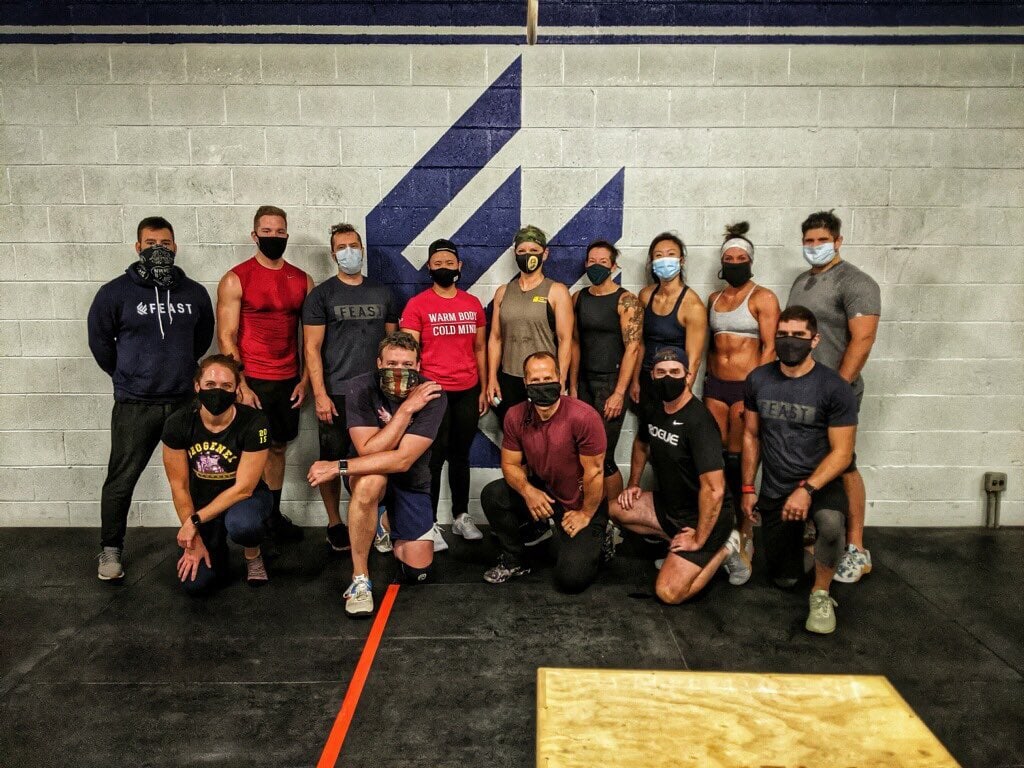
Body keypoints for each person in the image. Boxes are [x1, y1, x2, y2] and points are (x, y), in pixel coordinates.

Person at [87, 216, 215, 581]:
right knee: (121, 479)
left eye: (165, 242)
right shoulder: (114, 293)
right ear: (138, 247)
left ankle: (202, 539)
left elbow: (201, 339)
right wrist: (128, 376)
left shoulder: (193, 293)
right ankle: (110, 550)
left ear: (175, 246)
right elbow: (100, 343)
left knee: (199, 475)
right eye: (150, 242)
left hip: (183, 402)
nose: (158, 248)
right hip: (135, 402)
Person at [307, 332, 447, 618]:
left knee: (417, 569)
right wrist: (407, 411)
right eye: (392, 363)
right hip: (369, 474)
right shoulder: (360, 387)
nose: (399, 370)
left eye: (407, 364)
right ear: (379, 363)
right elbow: (367, 450)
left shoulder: (432, 393)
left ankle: (384, 521)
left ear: (418, 366)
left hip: (411, 480)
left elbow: (404, 460)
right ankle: (360, 579)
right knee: (372, 481)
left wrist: (337, 466)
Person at [741, 306, 858, 634]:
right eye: (783, 335)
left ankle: (821, 591)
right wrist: (748, 489)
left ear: (815, 339)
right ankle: (808, 546)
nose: (789, 341)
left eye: (798, 336)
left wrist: (806, 490)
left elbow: (843, 453)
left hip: (819, 483)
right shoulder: (758, 379)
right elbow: (751, 436)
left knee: (832, 524)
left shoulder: (833, 387)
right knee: (784, 578)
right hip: (776, 486)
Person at [788, 210, 880, 584]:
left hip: (836, 390)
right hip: (803, 388)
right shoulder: (802, 281)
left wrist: (838, 388)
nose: (814, 247)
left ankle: (857, 548)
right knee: (813, 459)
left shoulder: (857, 282)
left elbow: (863, 339)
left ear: (838, 241)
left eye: (821, 241)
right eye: (808, 241)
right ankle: (822, 535)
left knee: (845, 463)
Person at [610, 347, 740, 604]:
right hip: (672, 509)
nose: (667, 378)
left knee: (669, 593)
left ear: (688, 376)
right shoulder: (653, 406)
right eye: (661, 372)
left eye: (674, 372)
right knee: (616, 509)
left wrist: (698, 538)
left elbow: (714, 490)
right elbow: (641, 444)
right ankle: (677, 545)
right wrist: (633, 484)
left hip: (707, 517)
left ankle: (725, 548)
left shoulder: (699, 421)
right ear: (652, 376)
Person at [216, 205, 312, 545]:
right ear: (254, 235)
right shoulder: (236, 277)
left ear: (287, 234)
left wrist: (305, 379)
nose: (274, 237)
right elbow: (226, 335)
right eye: (267, 232)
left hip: (288, 379)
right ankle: (249, 523)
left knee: (278, 448)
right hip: (251, 378)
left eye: (280, 232)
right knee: (250, 450)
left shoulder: (302, 279)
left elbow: (310, 336)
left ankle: (272, 516)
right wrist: (239, 383)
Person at [304, 223, 399, 553]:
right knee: (331, 458)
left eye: (354, 245)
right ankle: (335, 523)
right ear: (333, 254)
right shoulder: (321, 295)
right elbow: (311, 348)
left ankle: (377, 521)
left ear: (362, 248)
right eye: (342, 247)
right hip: (336, 393)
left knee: (375, 460)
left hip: (376, 395)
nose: (349, 252)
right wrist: (319, 393)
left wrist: (392, 390)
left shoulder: (383, 293)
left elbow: (393, 345)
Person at [480, 352, 607, 593]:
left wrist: (586, 513)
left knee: (571, 579)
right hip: (545, 493)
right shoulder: (516, 415)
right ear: (525, 383)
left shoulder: (584, 416)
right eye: (535, 381)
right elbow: (509, 464)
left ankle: (602, 538)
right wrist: (528, 491)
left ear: (559, 378)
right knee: (493, 495)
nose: (542, 385)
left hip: (580, 503)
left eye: (548, 378)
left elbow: (595, 472)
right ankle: (515, 560)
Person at [705, 222, 780, 586]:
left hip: (746, 388)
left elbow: (769, 347)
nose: (735, 262)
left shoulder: (763, 297)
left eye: (741, 258)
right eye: (729, 258)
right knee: (713, 463)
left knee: (740, 468)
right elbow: (709, 348)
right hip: (715, 387)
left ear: (751, 261)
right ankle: (718, 534)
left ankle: (745, 538)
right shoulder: (713, 300)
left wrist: (759, 390)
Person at [400, 238, 488, 546]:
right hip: (434, 391)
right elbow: (410, 353)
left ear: (459, 267)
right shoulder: (417, 305)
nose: (444, 268)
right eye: (437, 264)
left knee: (460, 455)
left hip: (467, 389)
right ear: (428, 268)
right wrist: (415, 393)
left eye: (449, 263)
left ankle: (461, 516)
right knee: (434, 459)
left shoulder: (472, 304)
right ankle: (431, 523)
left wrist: (485, 386)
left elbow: (480, 347)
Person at [162, 355, 272, 593]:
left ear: (236, 390)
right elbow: (179, 485)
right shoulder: (178, 423)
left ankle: (252, 554)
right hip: (204, 504)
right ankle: (216, 551)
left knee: (244, 525)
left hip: (245, 500)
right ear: (197, 386)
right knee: (196, 585)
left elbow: (244, 488)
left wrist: (194, 521)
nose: (217, 391)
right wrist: (194, 541)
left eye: (226, 386)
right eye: (210, 385)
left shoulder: (255, 423)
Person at [569, 240, 642, 500]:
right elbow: (575, 343)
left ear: (613, 266)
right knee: (582, 453)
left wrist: (619, 393)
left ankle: (615, 518)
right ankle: (590, 512)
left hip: (611, 384)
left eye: (602, 262)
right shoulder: (578, 298)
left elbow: (633, 348)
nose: (596, 266)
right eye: (592, 261)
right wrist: (573, 386)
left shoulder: (626, 301)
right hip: (585, 383)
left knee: (605, 456)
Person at [486, 225, 574, 427]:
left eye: (534, 251)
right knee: (512, 434)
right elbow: (495, 338)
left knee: (543, 435)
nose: (528, 255)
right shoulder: (503, 292)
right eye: (522, 251)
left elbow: (565, 340)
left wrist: (560, 381)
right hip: (510, 377)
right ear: (515, 254)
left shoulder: (556, 291)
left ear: (545, 254)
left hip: (542, 380)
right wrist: (492, 378)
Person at [631, 232, 707, 406]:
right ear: (652, 262)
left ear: (681, 260)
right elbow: (640, 343)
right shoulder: (645, 296)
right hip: (646, 376)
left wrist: (683, 393)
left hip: (672, 381)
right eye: (659, 255)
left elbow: (694, 359)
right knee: (644, 431)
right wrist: (635, 380)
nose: (665, 259)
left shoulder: (693, 306)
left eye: (671, 254)